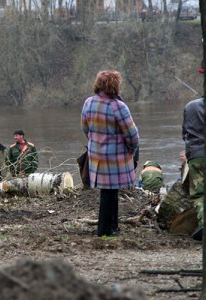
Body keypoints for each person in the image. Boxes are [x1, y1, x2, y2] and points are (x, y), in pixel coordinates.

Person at [81, 70, 139, 237]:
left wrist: (95, 142)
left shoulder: (88, 103)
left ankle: (112, 226)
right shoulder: (118, 106)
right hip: (116, 157)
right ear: (115, 85)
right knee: (110, 192)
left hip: (96, 154)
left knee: (109, 191)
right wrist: (132, 149)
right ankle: (105, 229)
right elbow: (132, 135)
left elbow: (85, 129)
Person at [182, 96, 205, 240]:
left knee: (199, 193)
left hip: (196, 155)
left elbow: (184, 132)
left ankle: (205, 222)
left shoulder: (190, 106)